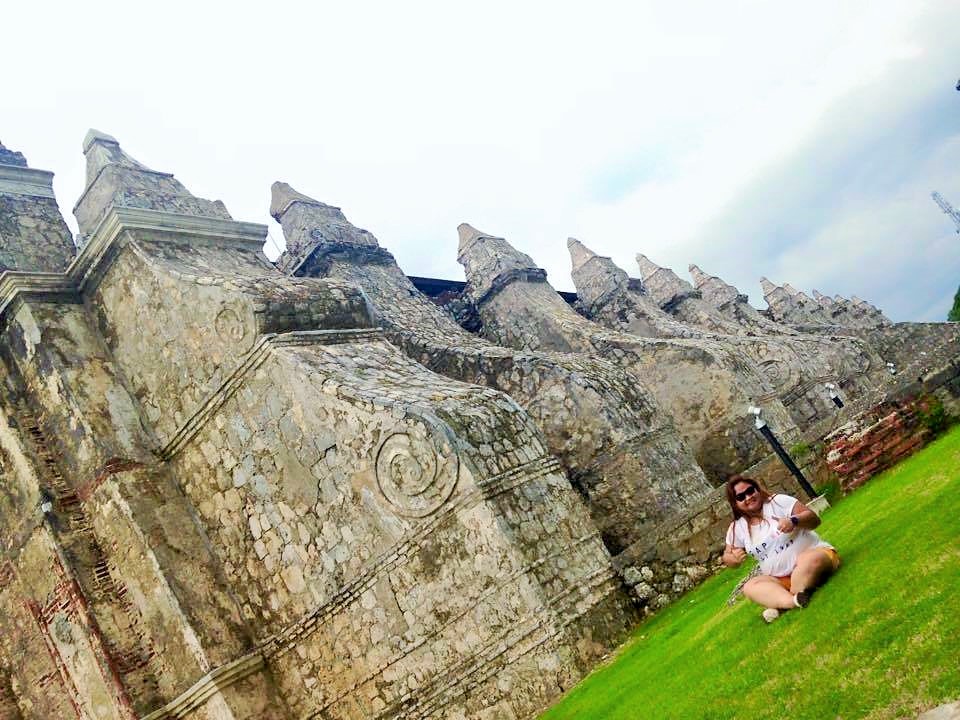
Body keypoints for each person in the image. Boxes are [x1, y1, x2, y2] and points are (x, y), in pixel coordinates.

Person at [722, 474, 839, 623]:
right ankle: (794, 600)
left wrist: (794, 521)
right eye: (741, 497)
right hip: (780, 579)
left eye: (750, 491)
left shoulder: (778, 502)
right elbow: (727, 557)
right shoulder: (737, 528)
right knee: (750, 587)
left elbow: (814, 520)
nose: (748, 497)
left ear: (757, 489)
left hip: (813, 558)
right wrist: (733, 559)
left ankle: (781, 603)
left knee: (811, 560)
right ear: (735, 503)